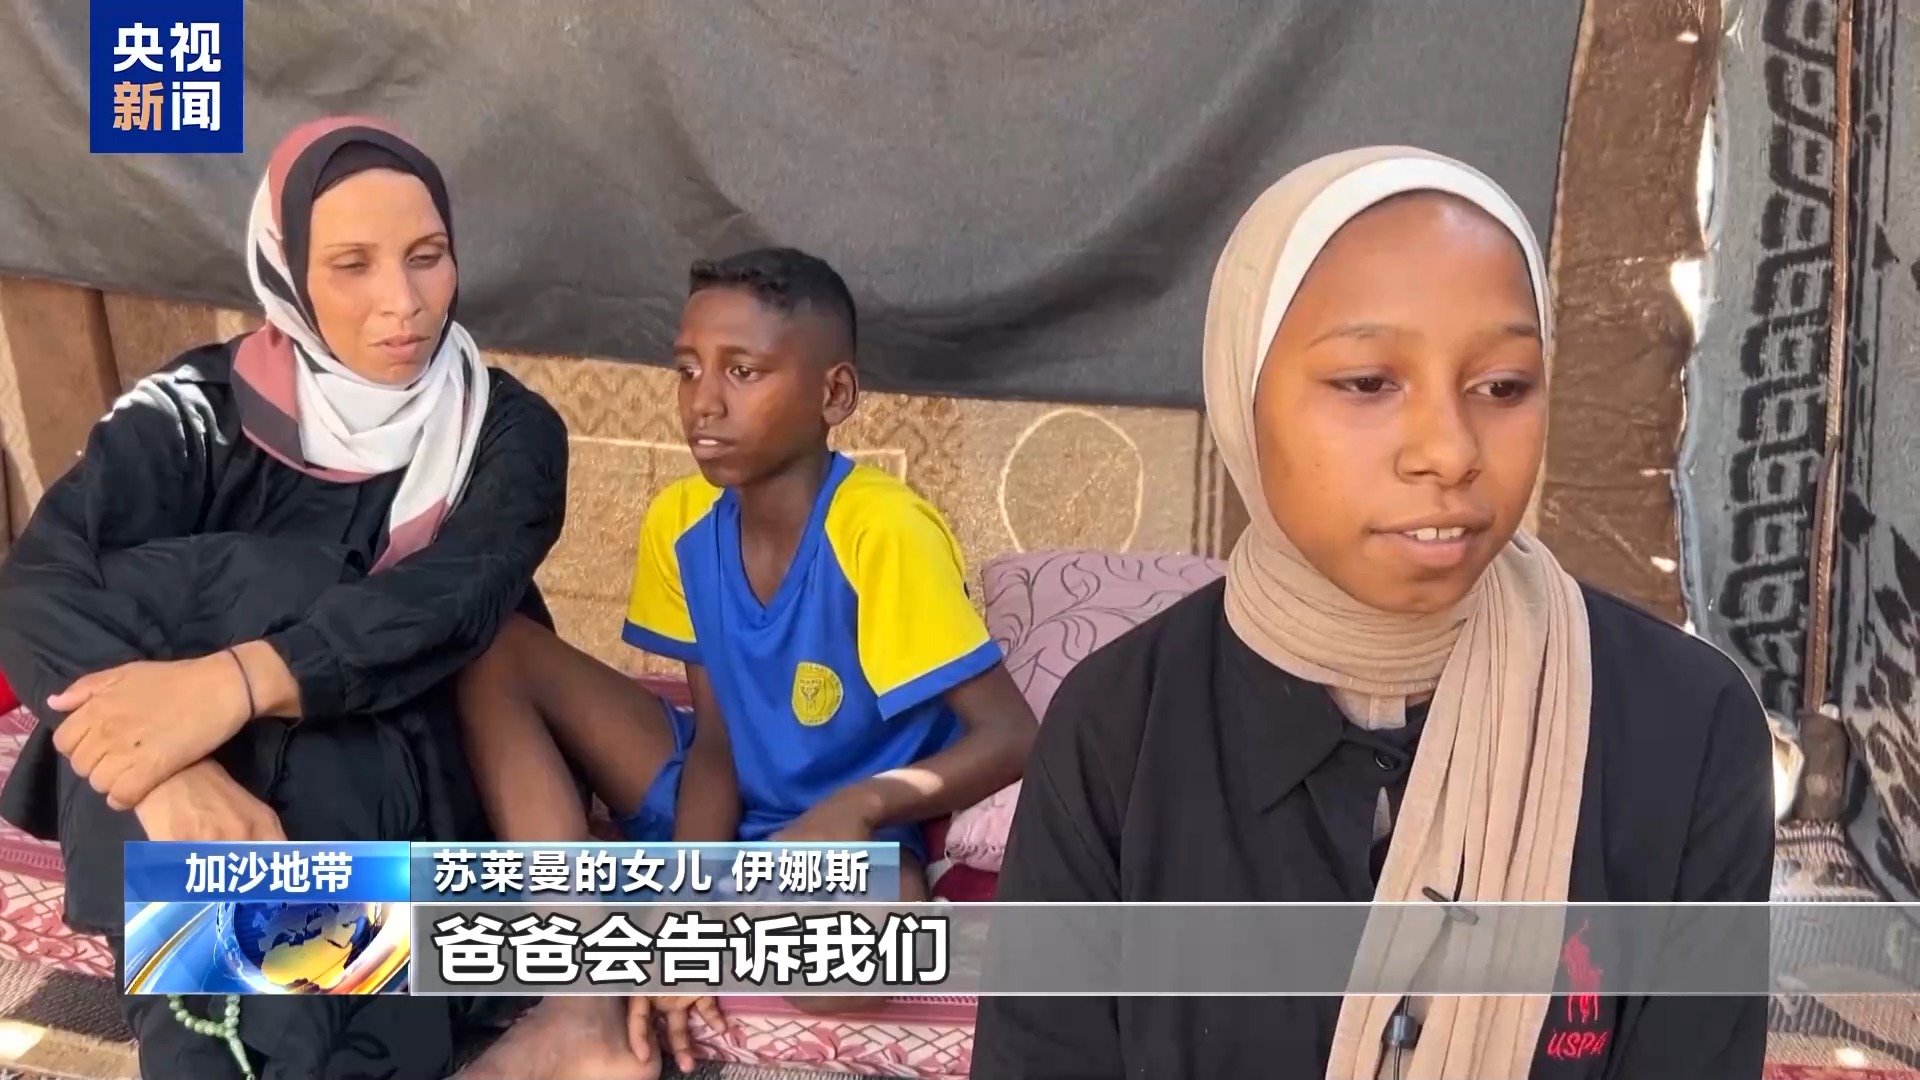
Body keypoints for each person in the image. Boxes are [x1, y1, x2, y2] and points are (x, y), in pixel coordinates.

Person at [970, 147, 1774, 1079]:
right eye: (1367, 382)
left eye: (1503, 386)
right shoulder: (1119, 729)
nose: (1450, 450)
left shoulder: (1685, 725)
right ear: (1242, 393)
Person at [0, 116, 569, 1080]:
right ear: (287, 270)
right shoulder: (194, 411)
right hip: (200, 779)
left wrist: (233, 681)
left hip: (416, 757)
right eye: (352, 265)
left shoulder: (505, 430)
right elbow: (40, 583)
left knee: (289, 622)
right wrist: (165, 769)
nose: (403, 302)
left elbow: (448, 602)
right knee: (173, 606)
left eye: (427, 257)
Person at [451, 247, 1039, 1080]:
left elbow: (1014, 735)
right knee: (492, 650)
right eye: (688, 369)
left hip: (847, 836)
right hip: (715, 792)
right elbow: (719, 739)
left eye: (743, 371)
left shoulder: (884, 532)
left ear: (833, 395)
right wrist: (690, 893)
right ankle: (581, 1001)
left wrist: (862, 806)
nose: (704, 402)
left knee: (852, 970)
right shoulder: (680, 520)